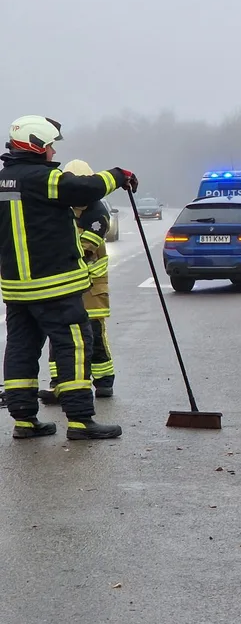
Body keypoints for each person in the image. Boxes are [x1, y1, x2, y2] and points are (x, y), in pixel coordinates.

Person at [0, 115, 135, 440]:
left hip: (17, 288)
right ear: (35, 145)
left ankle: (24, 420)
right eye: (48, 145)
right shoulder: (42, 178)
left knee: (20, 348)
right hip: (56, 284)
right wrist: (119, 175)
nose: (50, 152)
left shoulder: (3, 180)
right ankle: (79, 420)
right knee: (74, 344)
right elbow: (84, 187)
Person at [39, 159, 116, 404]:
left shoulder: (98, 212)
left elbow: (86, 247)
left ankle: (103, 381)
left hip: (91, 288)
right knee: (60, 334)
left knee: (93, 334)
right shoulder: (61, 206)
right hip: (66, 283)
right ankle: (58, 383)